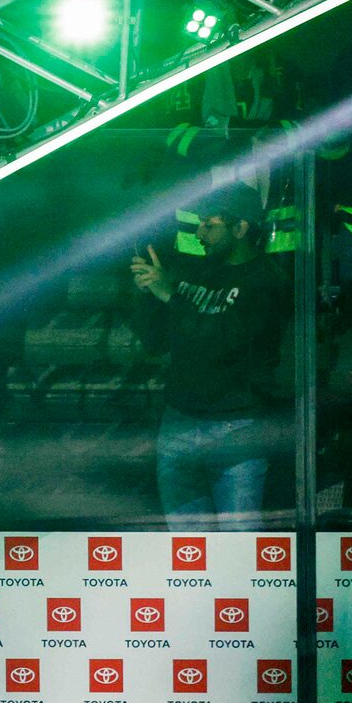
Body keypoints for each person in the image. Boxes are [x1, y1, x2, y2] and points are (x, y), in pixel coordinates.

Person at [129, 183, 292, 527]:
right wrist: (147, 293)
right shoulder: (193, 271)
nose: (200, 232)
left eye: (210, 225)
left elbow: (222, 342)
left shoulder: (266, 281)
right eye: (200, 223)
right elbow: (155, 342)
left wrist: (168, 296)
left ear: (241, 227)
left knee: (239, 544)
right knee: (189, 546)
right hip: (180, 420)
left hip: (237, 428)